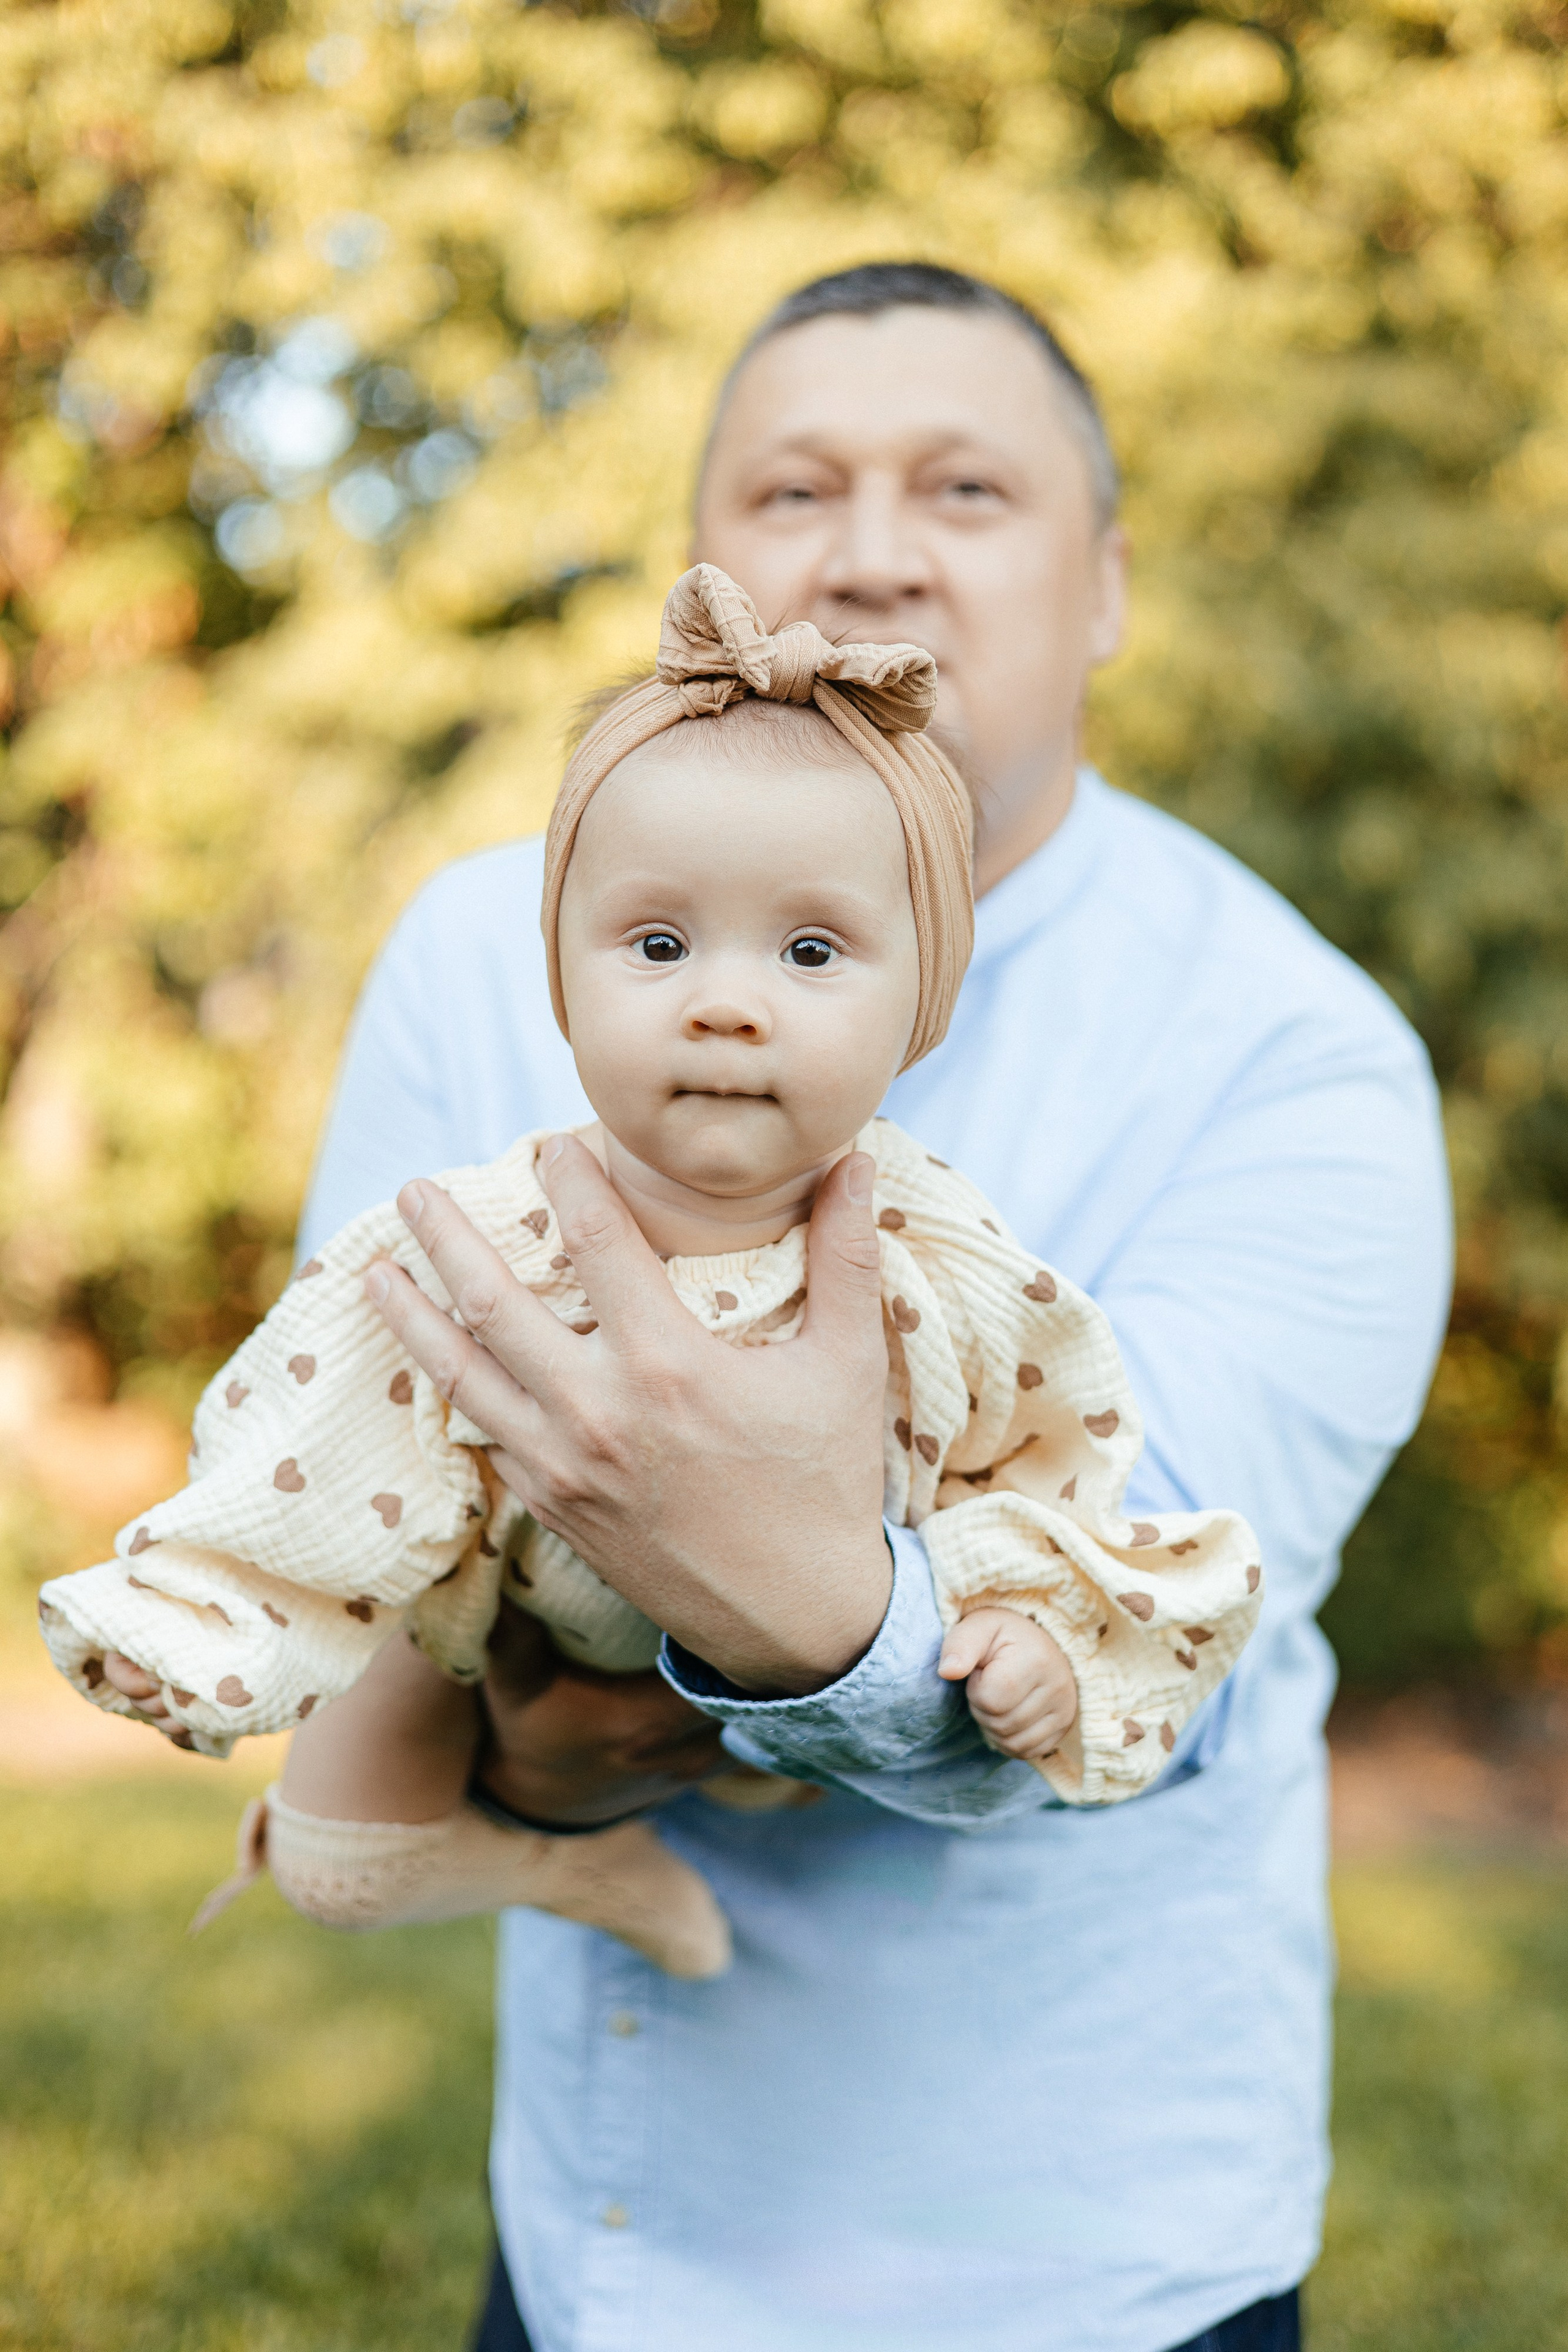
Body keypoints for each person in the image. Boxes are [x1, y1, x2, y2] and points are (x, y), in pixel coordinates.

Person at [254, 267, 1455, 2349]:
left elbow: (1136, 1655)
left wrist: (738, 1608)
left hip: (1079, 2268)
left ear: (1105, 587)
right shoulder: (479, 953)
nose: (873, 547)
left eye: (967, 488)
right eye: (794, 485)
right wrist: (527, 1753)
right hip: (601, 2247)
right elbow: (353, 1494)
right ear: (708, 564)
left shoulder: (1291, 1055)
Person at [54, 560, 1261, 1954]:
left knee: (805, 1770)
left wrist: (1036, 1628)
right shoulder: (484, 1234)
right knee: (336, 1859)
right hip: (503, 1618)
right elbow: (305, 1437)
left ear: (918, 1001)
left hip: (799, 1711)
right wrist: (200, 1612)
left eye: (810, 951)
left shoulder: (940, 1260)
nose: (727, 1005)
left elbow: (1047, 1464)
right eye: (659, 941)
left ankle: (644, 1815)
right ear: (562, 978)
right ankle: (558, 1861)